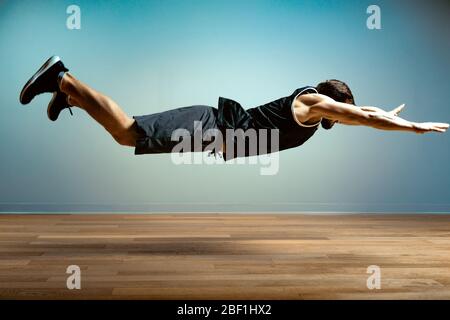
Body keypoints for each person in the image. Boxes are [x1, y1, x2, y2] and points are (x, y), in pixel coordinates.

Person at [19, 56, 449, 160]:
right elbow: (362, 116)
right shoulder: (312, 102)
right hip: (212, 125)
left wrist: (387, 114)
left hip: (214, 135)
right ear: (333, 101)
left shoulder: (317, 112)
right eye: (342, 110)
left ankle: (68, 96)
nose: (342, 117)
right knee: (127, 132)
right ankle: (63, 77)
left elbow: (363, 114)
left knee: (126, 136)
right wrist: (411, 127)